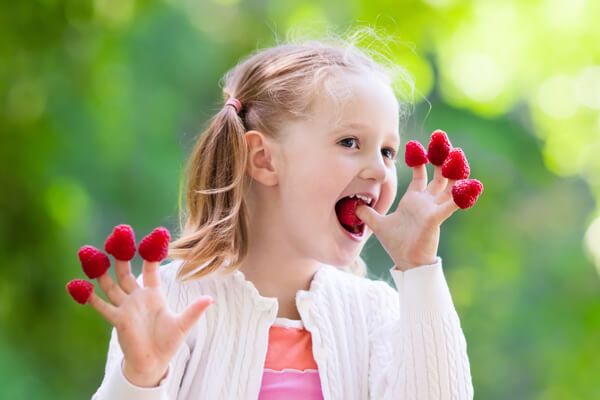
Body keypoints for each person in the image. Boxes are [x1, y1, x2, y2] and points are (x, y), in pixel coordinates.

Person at [88, 33, 475, 399]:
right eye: (350, 142)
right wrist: (140, 380)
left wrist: (419, 269)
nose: (379, 169)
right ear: (264, 159)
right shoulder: (176, 298)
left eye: (388, 152)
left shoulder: (375, 313)